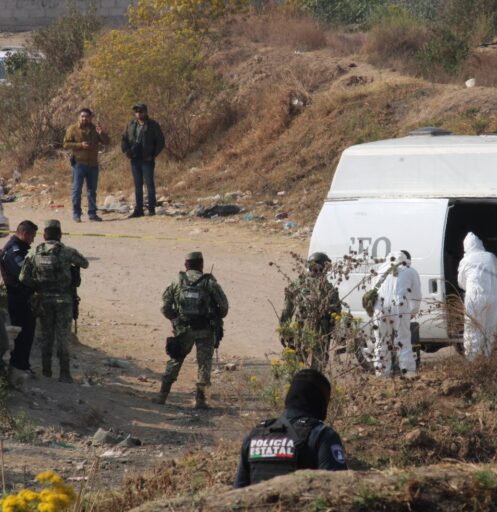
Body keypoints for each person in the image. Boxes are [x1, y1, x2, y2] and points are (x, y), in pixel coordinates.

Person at [234, 369, 347, 488]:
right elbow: (338, 489)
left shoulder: (255, 435)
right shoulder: (322, 435)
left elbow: (238, 492)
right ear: (319, 400)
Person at [155, 251, 229, 409]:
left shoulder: (177, 280)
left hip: (183, 329)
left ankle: (162, 396)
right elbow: (224, 308)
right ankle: (200, 401)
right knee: (204, 364)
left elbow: (164, 307)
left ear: (186, 264)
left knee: (176, 359)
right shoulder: (209, 282)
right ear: (201, 264)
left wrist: (176, 320)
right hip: (205, 330)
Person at [19, 220, 89, 382]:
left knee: (46, 336)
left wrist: (37, 286)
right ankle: (64, 374)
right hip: (64, 300)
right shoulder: (67, 252)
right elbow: (85, 263)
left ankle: (46, 371)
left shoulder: (35, 253)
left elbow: (23, 277)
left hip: (44, 300)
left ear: (44, 235)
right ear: (60, 235)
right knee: (63, 337)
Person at [279, 252, 341, 369]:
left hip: (301, 330)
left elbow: (286, 310)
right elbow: (337, 314)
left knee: (296, 365)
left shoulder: (299, 284)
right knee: (318, 367)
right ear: (325, 268)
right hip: (321, 333)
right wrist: (334, 331)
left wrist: (284, 330)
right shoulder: (329, 289)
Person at [0, 220, 38, 375]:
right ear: (25, 234)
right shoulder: (14, 251)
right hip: (19, 298)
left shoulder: (19, 248)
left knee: (26, 332)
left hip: (21, 297)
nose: (32, 240)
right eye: (32, 236)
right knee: (23, 333)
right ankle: (19, 365)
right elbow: (23, 275)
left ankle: (22, 364)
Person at [373, 250, 421, 377]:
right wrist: (413, 311)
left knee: (381, 340)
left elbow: (373, 290)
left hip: (379, 306)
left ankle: (381, 373)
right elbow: (416, 296)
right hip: (398, 305)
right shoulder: (410, 271)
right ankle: (407, 372)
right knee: (403, 339)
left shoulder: (381, 269)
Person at [457, 233, 497, 359]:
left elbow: (461, 281)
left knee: (473, 329)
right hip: (495, 297)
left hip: (476, 297)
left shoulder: (466, 260)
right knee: (490, 330)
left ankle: (473, 362)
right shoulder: (491, 257)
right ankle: (487, 359)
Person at [63, 108, 110, 223]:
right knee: (76, 190)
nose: (84, 118)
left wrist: (101, 133)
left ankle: (92, 214)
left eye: (87, 116)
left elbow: (107, 142)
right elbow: (65, 144)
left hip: (93, 164)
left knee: (92, 190)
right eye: (82, 116)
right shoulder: (73, 129)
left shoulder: (95, 129)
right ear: (79, 117)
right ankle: (76, 214)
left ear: (90, 117)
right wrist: (80, 145)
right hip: (79, 164)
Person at [121, 103, 165, 218]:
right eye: (136, 111)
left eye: (140, 111)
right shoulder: (130, 124)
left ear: (145, 112)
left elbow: (160, 142)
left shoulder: (152, 125)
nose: (138, 113)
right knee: (138, 185)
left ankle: (151, 210)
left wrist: (153, 154)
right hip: (135, 159)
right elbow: (124, 139)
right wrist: (126, 151)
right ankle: (139, 210)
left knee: (150, 185)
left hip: (147, 159)